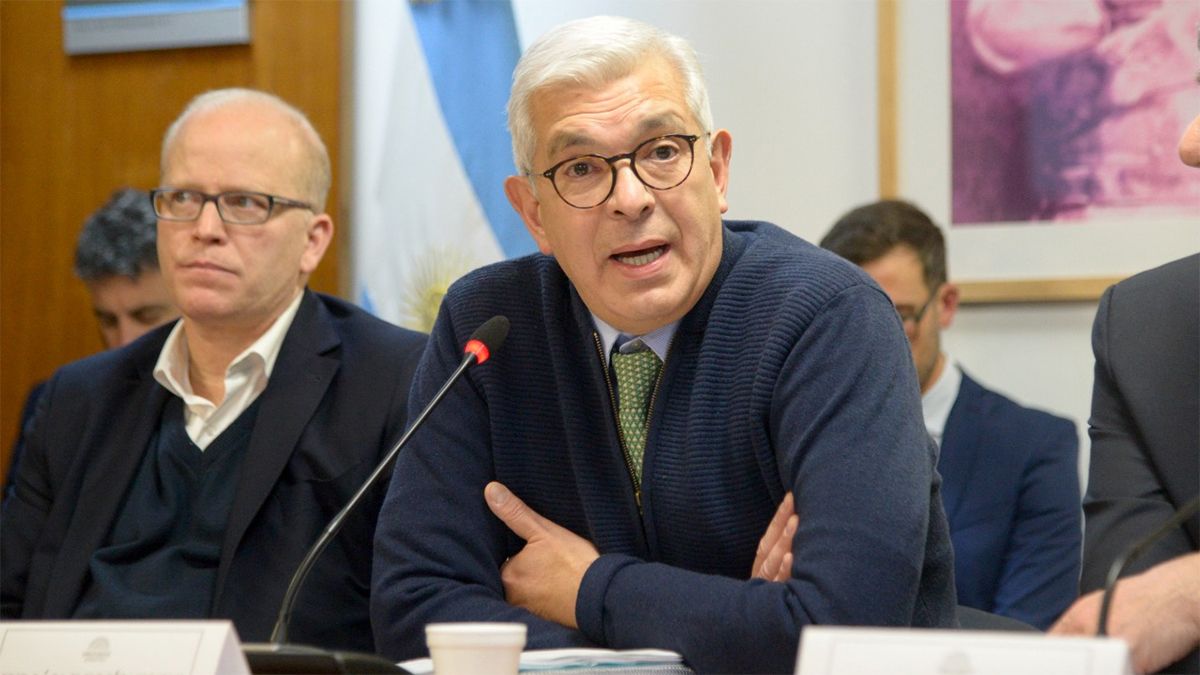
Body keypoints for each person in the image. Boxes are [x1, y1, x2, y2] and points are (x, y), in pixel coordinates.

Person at [370, 16, 956, 673]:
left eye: (662, 152)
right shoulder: (488, 327)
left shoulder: (828, 320)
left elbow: (840, 632)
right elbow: (415, 613)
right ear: (534, 211)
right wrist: (729, 630)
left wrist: (589, 589)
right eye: (582, 168)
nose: (631, 197)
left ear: (718, 168)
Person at [0, 88, 427, 653]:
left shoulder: (400, 383)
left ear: (312, 241)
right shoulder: (77, 400)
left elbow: (418, 619)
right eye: (182, 198)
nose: (204, 228)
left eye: (245, 203)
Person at [820, 199, 1082, 629]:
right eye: (850, 320)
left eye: (898, 316)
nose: (873, 340)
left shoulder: (1035, 447)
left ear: (945, 304)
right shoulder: (801, 434)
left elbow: (1029, 639)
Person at [1049, 104, 1200, 671]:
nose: (1190, 144)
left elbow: (1170, 606)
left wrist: (1191, 593)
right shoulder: (1148, 330)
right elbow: (1133, 633)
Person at [4, 188, 178, 503]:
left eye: (146, 316)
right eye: (108, 320)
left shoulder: (221, 410)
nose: (125, 341)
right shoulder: (56, 405)